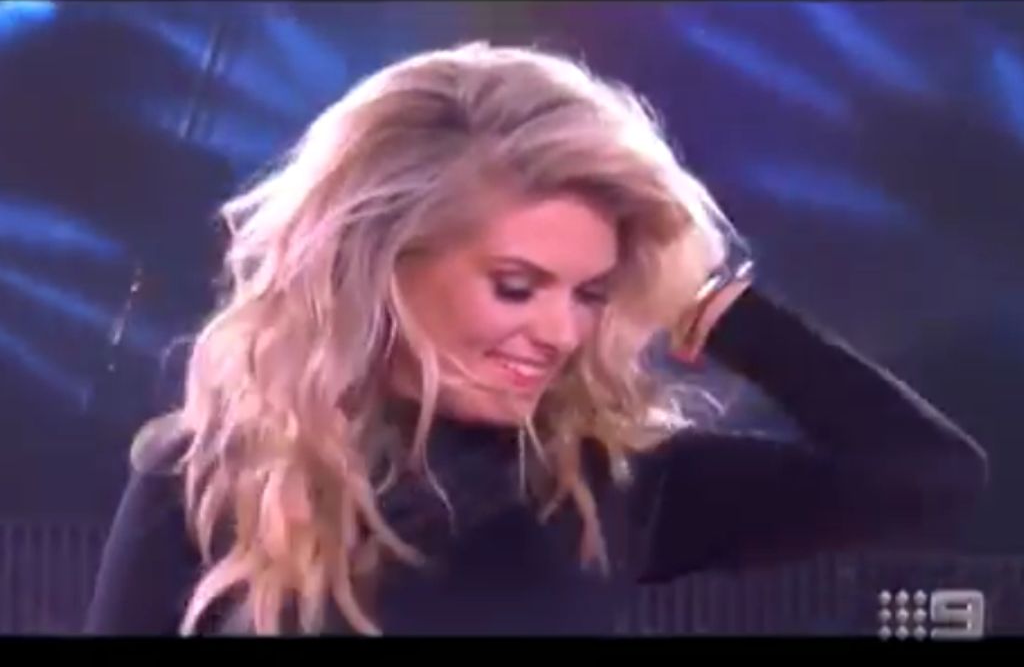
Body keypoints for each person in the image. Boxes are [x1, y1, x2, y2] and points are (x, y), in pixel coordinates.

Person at [84, 42, 988, 636]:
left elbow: (925, 477)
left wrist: (711, 303)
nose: (559, 332)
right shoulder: (205, 478)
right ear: (381, 263)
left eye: (591, 293)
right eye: (516, 287)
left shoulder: (601, 485)